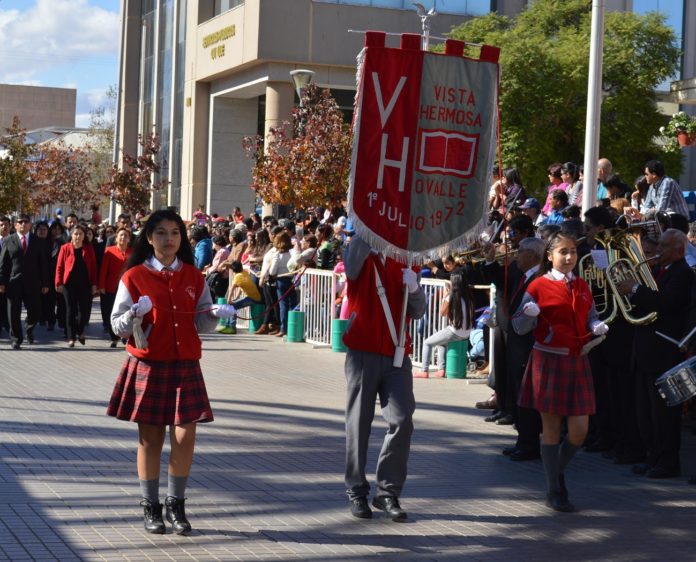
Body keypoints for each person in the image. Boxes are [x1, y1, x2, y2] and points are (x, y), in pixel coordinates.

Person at [106, 210, 236, 535]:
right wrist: (134, 314)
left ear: (182, 238)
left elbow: (202, 322)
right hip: (148, 364)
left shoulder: (193, 276)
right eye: (161, 233)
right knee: (150, 439)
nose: (169, 239)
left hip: (185, 365)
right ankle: (150, 506)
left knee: (184, 434)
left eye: (175, 232)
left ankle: (175, 504)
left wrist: (219, 313)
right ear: (149, 238)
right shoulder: (134, 276)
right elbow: (117, 325)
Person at [512, 232, 609, 512]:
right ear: (550, 256)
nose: (569, 257)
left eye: (573, 252)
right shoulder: (538, 285)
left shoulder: (581, 284)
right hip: (549, 361)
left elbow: (590, 315)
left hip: (578, 361)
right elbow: (519, 327)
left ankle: (556, 472)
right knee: (551, 427)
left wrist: (595, 326)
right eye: (563, 252)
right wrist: (528, 315)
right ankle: (554, 489)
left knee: (579, 431)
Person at [342, 235, 426, 521]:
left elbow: (418, 310)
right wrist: (368, 237)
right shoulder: (359, 248)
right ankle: (356, 490)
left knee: (402, 421)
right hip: (363, 351)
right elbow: (350, 265)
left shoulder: (405, 257)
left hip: (397, 353)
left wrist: (414, 288)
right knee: (358, 424)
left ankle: (387, 492)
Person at [616, 229, 694, 478]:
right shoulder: (659, 271)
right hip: (645, 349)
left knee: (663, 414)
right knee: (646, 411)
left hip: (663, 349)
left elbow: (666, 303)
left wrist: (635, 289)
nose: (658, 251)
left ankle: (667, 461)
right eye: (658, 245)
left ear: (679, 251)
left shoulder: (683, 274)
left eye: (663, 247)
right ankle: (653, 456)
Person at [0, 214, 50, 349]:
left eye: (26, 222)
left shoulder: (37, 241)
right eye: (20, 222)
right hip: (13, 282)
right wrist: (2, 282)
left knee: (35, 311)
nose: (23, 224)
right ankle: (16, 339)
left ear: (30, 225)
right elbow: (3, 263)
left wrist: (45, 283)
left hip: (32, 283)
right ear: (15, 225)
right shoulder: (9, 240)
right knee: (13, 313)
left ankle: (29, 327)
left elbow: (42, 264)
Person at [414, 273, 474, 378]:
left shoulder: (451, 296)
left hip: (454, 332)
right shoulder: (468, 298)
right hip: (466, 333)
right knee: (441, 343)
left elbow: (442, 313)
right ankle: (441, 369)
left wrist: (445, 296)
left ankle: (424, 370)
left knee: (427, 343)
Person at [55, 225, 98, 347]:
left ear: (84, 236)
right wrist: (58, 282)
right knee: (70, 310)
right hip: (69, 284)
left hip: (85, 284)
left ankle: (80, 330)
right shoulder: (65, 248)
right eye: (75, 234)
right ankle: (71, 337)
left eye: (80, 234)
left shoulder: (89, 248)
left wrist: (95, 284)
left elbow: (94, 267)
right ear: (71, 235)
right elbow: (59, 267)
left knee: (83, 311)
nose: (78, 236)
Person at [99, 227, 133, 347]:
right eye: (121, 235)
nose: (123, 238)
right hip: (111, 286)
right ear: (116, 238)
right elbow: (104, 270)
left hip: (127, 288)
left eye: (126, 236)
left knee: (127, 311)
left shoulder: (132, 252)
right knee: (111, 311)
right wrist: (101, 285)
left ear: (129, 239)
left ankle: (125, 335)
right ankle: (114, 337)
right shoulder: (109, 251)